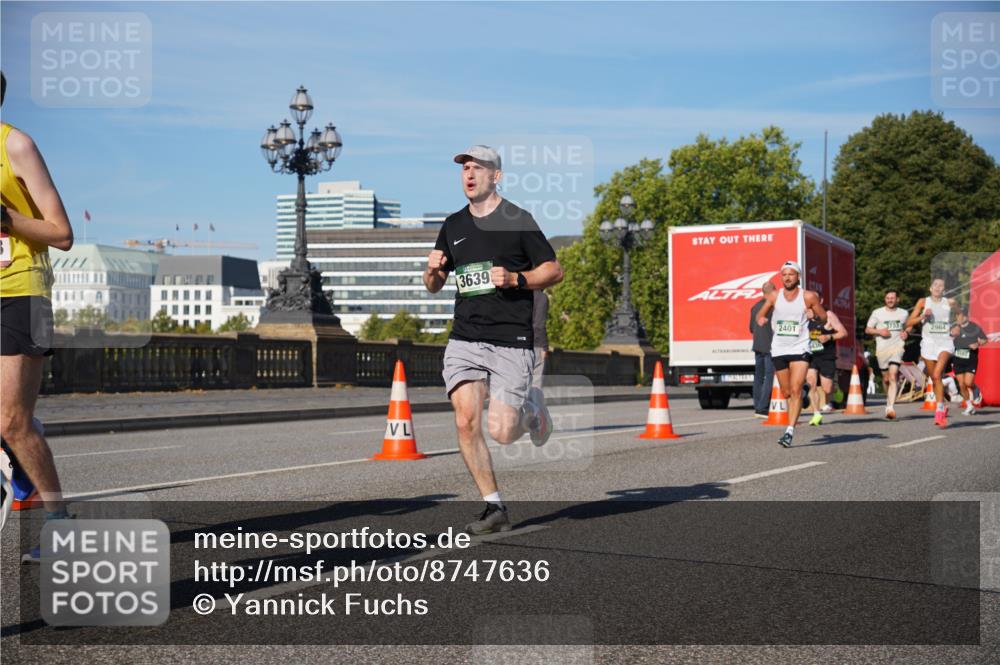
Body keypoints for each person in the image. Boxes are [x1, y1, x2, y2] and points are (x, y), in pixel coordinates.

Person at [424, 145, 563, 535]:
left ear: (495, 176)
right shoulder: (453, 225)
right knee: (466, 422)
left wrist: (517, 279)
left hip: (510, 339)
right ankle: (494, 508)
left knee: (502, 431)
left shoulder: (517, 220)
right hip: (465, 337)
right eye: (464, 168)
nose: (468, 174)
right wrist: (432, 271)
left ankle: (533, 412)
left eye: (477, 168)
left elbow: (554, 270)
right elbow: (434, 285)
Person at [0, 71, 74, 555]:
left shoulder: (16, 146)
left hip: (20, 292)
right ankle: (20, 457)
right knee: (9, 420)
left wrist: (6, 219)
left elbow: (62, 233)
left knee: (12, 421)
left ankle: (61, 526)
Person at [755, 261, 828, 447]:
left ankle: (789, 432)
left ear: (798, 276)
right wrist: (762, 318)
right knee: (787, 392)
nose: (787, 277)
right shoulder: (774, 295)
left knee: (794, 391)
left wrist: (814, 315)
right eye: (784, 274)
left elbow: (824, 317)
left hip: (800, 348)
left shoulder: (808, 296)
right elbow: (760, 314)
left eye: (791, 274)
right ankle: (804, 391)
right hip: (779, 348)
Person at [906, 277, 960, 428]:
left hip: (945, 342)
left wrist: (957, 328)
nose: (937, 287)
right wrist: (923, 315)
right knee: (935, 379)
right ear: (930, 288)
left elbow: (961, 317)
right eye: (935, 285)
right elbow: (909, 323)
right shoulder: (923, 302)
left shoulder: (950, 302)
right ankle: (941, 405)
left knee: (937, 375)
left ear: (944, 289)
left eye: (941, 285)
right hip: (928, 344)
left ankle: (939, 410)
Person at [865, 289, 910, 419]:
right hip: (882, 349)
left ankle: (890, 407)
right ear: (885, 299)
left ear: (898, 299)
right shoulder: (877, 313)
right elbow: (868, 330)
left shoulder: (903, 313)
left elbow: (908, 326)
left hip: (897, 348)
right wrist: (879, 332)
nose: (890, 300)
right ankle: (888, 401)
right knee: (886, 379)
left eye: (892, 298)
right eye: (888, 298)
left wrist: (906, 332)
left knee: (893, 375)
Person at [806, 296, 847, 426]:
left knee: (827, 389)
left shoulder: (829, 315)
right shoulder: (805, 315)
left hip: (826, 356)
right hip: (811, 355)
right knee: (811, 383)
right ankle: (816, 414)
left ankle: (836, 390)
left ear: (821, 301)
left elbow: (843, 332)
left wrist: (829, 336)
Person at [950, 307, 988, 415]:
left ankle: (975, 389)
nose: (958, 317)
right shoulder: (955, 327)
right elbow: (950, 335)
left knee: (968, 383)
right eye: (957, 315)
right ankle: (969, 406)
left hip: (971, 359)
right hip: (957, 359)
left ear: (966, 316)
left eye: (960, 315)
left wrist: (978, 343)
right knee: (961, 384)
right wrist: (952, 333)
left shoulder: (974, 327)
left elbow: (985, 339)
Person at [750, 280, 776, 418]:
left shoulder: (755, 307)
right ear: (773, 292)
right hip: (770, 346)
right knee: (769, 376)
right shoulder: (773, 307)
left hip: (757, 346)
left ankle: (757, 405)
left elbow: (751, 328)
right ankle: (763, 407)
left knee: (758, 376)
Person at [531, 289, 549, 392]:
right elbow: (539, 325)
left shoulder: (517, 294)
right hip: (535, 344)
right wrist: (544, 346)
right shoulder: (541, 297)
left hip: (515, 345)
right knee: (535, 387)